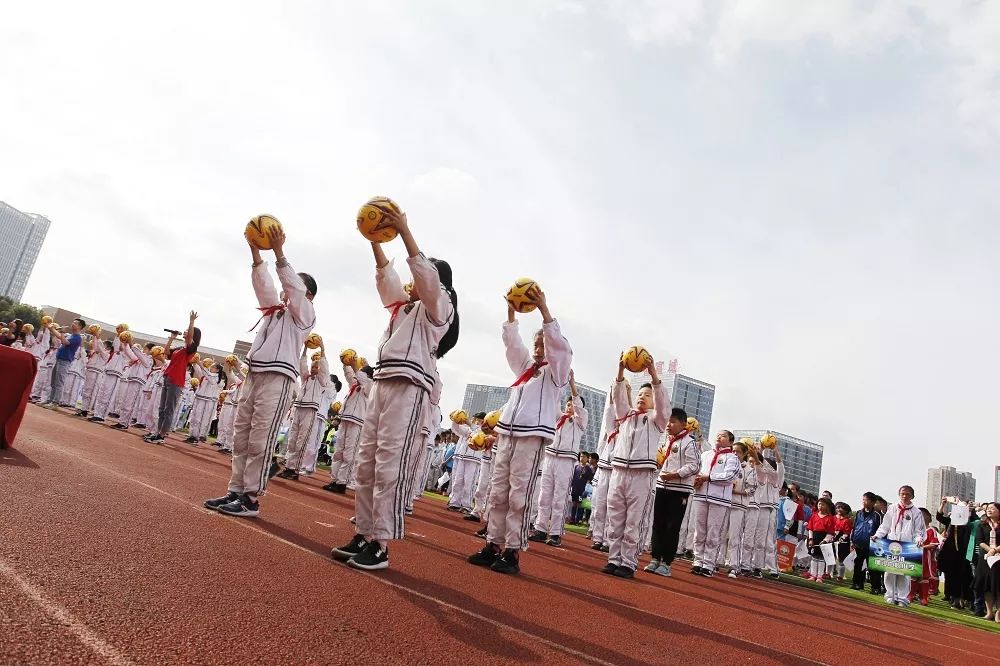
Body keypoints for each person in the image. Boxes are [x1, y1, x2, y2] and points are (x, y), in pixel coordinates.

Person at [332, 214, 457, 571]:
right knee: (366, 462)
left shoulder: (438, 309)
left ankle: (381, 544)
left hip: (410, 388)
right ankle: (364, 531)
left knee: (388, 464)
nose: (411, 281)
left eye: (421, 274)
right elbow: (387, 279)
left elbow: (427, 280)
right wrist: (374, 238)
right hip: (384, 385)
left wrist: (403, 230)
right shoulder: (403, 309)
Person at [204, 226, 317, 518]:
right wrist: (256, 252)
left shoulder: (304, 316)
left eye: (294, 287)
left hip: (278, 380)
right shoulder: (274, 310)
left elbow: (291, 286)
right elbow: (264, 286)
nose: (284, 290)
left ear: (308, 295)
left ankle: (250, 498)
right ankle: (235, 490)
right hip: (255, 375)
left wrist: (279, 252)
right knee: (241, 436)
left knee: (260, 439)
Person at [466, 287, 570, 575]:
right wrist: (512, 313)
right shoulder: (526, 368)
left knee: (518, 495)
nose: (538, 348)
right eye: (536, 343)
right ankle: (493, 545)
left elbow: (559, 347)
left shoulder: (556, 373)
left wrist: (545, 310)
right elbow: (513, 346)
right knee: (498, 492)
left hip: (531, 437)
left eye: (543, 344)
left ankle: (512, 551)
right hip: (508, 435)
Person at [602, 354, 670, 579]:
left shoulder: (657, 421)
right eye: (640, 394)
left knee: (633, 521)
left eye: (647, 395)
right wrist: (621, 370)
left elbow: (664, 407)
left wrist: (653, 375)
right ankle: (613, 559)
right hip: (619, 471)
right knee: (615, 518)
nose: (642, 397)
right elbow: (619, 397)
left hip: (641, 475)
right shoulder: (626, 416)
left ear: (654, 401)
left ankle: (628, 563)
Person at [530, 372, 588, 548]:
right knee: (544, 496)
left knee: (559, 497)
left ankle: (555, 533)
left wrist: (572, 384)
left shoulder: (579, 421)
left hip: (565, 460)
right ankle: (540, 528)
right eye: (568, 404)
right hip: (550, 458)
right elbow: (553, 401)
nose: (570, 406)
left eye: (573, 404)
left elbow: (578, 406)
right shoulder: (558, 418)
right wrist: (557, 381)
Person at [646, 406, 699, 578]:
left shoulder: (689, 442)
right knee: (658, 524)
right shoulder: (667, 440)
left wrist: (676, 475)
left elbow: (694, 466)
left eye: (673, 421)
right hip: (662, 485)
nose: (669, 424)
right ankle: (655, 558)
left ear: (683, 424)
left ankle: (667, 563)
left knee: (672, 527)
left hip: (679, 490)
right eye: (668, 421)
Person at [690, 431, 740, 577]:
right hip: (700, 495)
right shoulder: (706, 454)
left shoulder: (732, 458)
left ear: (730, 442)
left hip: (719, 499)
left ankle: (709, 564)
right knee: (699, 531)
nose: (719, 437)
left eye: (723, 435)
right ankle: (698, 561)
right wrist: (696, 480)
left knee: (714, 532)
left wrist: (708, 478)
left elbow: (729, 477)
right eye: (718, 435)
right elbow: (696, 470)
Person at [145, 313, 199, 444]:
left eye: (186, 331)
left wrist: (191, 322)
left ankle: (162, 435)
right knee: (162, 408)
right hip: (168, 377)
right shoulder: (180, 348)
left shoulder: (190, 348)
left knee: (169, 409)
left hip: (176, 381)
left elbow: (190, 337)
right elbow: (167, 352)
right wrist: (171, 338)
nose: (184, 332)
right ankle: (157, 432)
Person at [277, 346, 331, 479]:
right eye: (313, 367)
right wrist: (306, 348)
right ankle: (289, 467)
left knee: (302, 441)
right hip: (298, 409)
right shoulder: (305, 378)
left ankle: (295, 470)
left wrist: (323, 348)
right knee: (292, 440)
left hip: (310, 410)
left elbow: (324, 369)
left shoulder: (321, 381)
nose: (314, 369)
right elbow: (302, 364)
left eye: (316, 367)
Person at [872, 484, 926, 606]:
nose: (905, 496)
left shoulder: (916, 512)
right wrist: (877, 535)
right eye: (903, 493)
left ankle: (902, 598)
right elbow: (885, 526)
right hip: (891, 543)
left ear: (912, 496)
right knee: (889, 571)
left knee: (904, 572)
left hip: (907, 545)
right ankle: (890, 594)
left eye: (907, 494)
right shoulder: (892, 508)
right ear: (899, 494)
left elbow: (919, 530)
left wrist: (918, 539)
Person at [325, 356, 373, 493]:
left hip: (357, 422)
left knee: (349, 454)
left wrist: (356, 366)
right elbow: (350, 374)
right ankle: (334, 480)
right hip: (345, 419)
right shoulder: (355, 384)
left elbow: (361, 376)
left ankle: (342, 482)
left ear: (367, 375)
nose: (359, 373)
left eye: (362, 371)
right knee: (338, 452)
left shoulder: (370, 386)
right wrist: (346, 363)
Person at [591, 383, 627, 552]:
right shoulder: (612, 431)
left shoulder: (627, 431)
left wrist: (626, 393)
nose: (618, 422)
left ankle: (607, 540)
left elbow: (627, 411)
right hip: (604, 471)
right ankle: (598, 537)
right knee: (599, 507)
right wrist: (613, 396)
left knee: (612, 508)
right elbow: (609, 413)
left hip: (616, 471)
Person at [42, 318, 85, 409]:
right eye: (73, 322)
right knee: (54, 381)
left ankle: (55, 402)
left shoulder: (77, 337)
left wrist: (61, 332)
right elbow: (59, 336)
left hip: (65, 361)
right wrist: (51, 328)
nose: (73, 324)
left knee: (59, 383)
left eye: (75, 323)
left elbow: (64, 342)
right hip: (59, 359)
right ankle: (50, 400)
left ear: (80, 326)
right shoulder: (71, 335)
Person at [850, 492, 883, 593]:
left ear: (873, 502)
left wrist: (878, 542)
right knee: (858, 564)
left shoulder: (877, 515)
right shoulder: (859, 513)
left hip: (872, 545)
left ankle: (875, 587)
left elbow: (881, 529)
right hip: (859, 543)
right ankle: (857, 583)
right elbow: (854, 527)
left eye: (866, 500)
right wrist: (852, 540)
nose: (864, 502)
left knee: (872, 567)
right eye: (863, 499)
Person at [974, 502, 1000, 622]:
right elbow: (980, 541)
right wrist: (990, 551)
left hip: (998, 559)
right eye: (988, 508)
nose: (989, 510)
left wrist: (995, 550)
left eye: (992, 508)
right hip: (985, 559)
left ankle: (998, 612)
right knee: (986, 585)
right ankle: (989, 612)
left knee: (998, 585)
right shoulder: (982, 524)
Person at [806, 497, 836, 582]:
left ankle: (819, 576)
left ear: (827, 506)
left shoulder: (830, 518)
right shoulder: (814, 515)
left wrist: (825, 540)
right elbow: (810, 528)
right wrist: (811, 539)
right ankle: (813, 575)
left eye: (823, 504)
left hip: (823, 538)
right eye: (819, 504)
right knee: (814, 557)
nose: (820, 506)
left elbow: (830, 532)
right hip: (814, 537)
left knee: (821, 558)